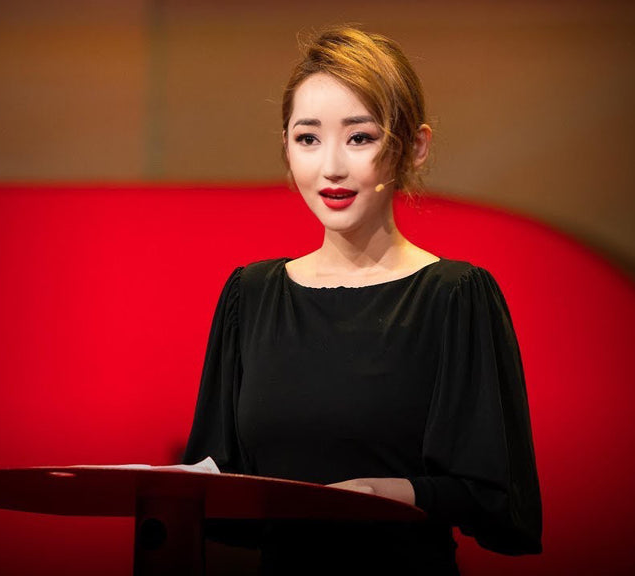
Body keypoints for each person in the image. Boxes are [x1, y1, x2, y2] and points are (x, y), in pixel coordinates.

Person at [183, 25, 542, 575]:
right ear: (286, 148)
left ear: (414, 147)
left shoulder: (455, 297)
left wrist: (390, 492)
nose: (331, 167)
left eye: (360, 137)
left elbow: (496, 497)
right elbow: (215, 482)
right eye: (307, 138)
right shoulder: (250, 296)